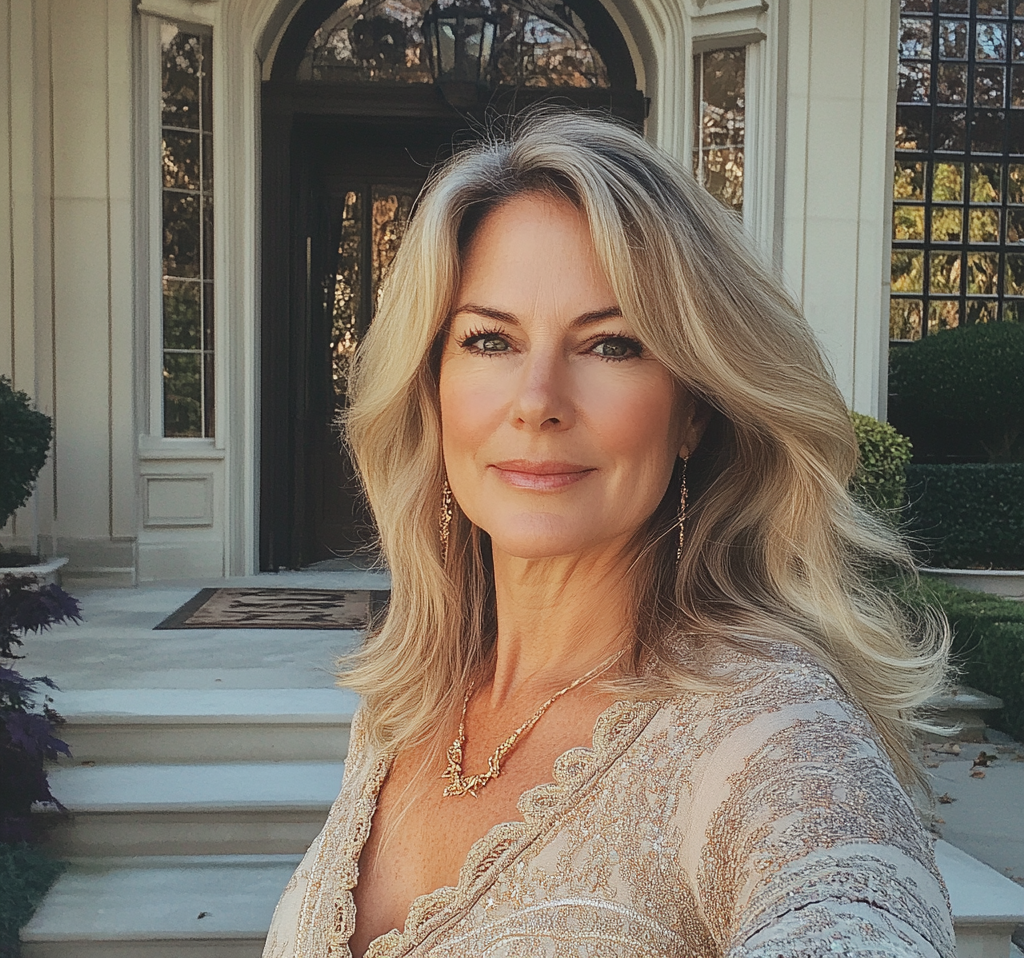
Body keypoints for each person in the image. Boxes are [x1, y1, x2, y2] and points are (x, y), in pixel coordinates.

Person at [263, 110, 955, 958]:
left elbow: (854, 906)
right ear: (431, 385)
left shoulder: (776, 730)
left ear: (693, 408)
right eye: (489, 340)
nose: (538, 399)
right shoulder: (406, 702)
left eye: (612, 345)